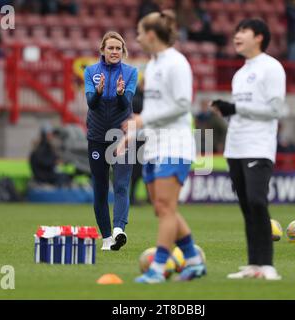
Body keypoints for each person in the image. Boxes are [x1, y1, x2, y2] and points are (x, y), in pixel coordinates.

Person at [119, 10, 207, 283]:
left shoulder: (176, 63)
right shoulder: (153, 65)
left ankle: (158, 268)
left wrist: (143, 118)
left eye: (139, 32)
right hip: (155, 145)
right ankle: (193, 260)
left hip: (175, 144)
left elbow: (182, 104)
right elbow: (155, 108)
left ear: (152, 35)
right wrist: (132, 132)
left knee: (166, 207)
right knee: (161, 207)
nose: (136, 37)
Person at [210, 18, 287, 280]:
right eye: (236, 31)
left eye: (243, 31)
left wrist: (237, 108)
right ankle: (254, 265)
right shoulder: (240, 73)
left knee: (257, 201)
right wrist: (226, 111)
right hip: (235, 147)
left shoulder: (272, 68)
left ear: (259, 37)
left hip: (259, 146)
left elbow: (276, 110)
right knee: (246, 206)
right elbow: (241, 113)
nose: (236, 36)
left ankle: (268, 265)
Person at [84, 31, 138, 251]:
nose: (115, 52)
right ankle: (106, 238)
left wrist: (121, 93)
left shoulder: (131, 72)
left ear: (123, 51)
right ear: (103, 51)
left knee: (122, 185)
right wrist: (97, 92)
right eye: (111, 48)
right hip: (97, 137)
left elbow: (126, 104)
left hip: (123, 137)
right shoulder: (90, 71)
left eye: (118, 48)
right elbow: (91, 104)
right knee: (99, 188)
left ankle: (118, 230)